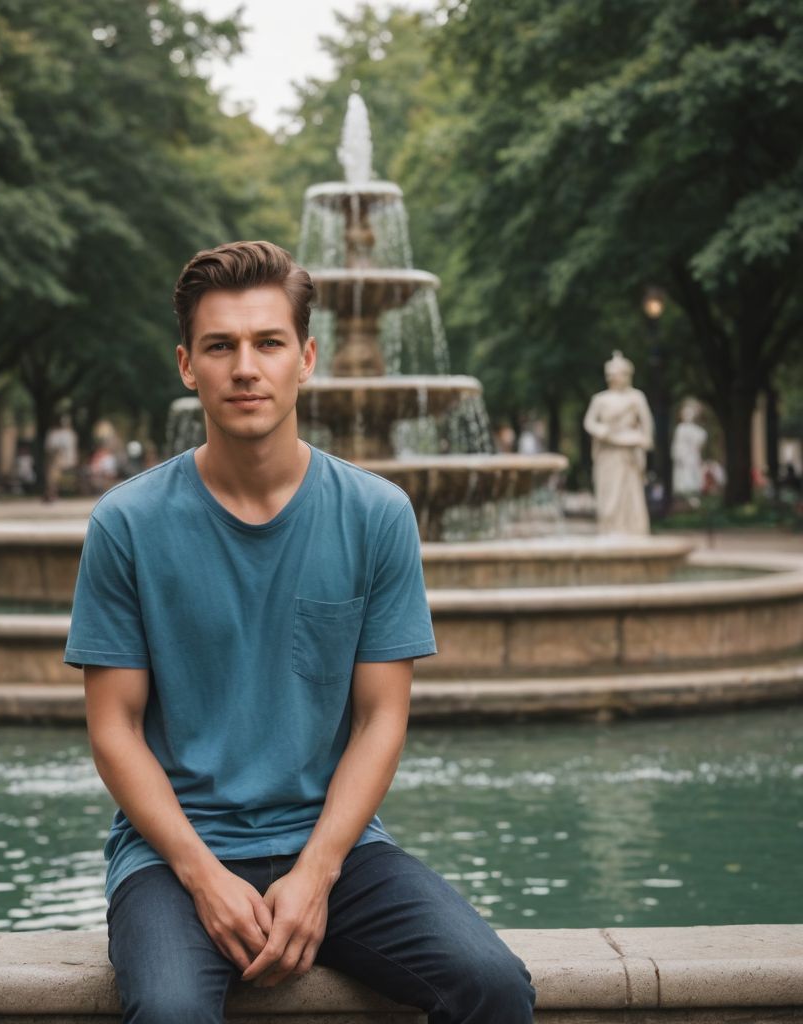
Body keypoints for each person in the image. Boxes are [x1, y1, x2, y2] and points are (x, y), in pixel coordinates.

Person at [65, 241, 534, 1024]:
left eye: (268, 343)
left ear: (306, 357)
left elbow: (383, 716)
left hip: (338, 850)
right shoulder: (126, 524)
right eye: (220, 346)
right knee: (172, 1013)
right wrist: (203, 875)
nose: (245, 367)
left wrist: (317, 874)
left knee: (492, 985)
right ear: (188, 366)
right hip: (173, 853)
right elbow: (112, 727)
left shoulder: (377, 515)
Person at [583, 350, 654, 535]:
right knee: (609, 493)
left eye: (619, 374)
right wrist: (602, 431)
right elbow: (589, 422)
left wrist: (643, 440)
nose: (615, 378)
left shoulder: (636, 397)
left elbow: (647, 424)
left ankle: (632, 528)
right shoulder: (600, 399)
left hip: (628, 450)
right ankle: (609, 528)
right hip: (608, 452)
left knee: (630, 492)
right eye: (612, 375)